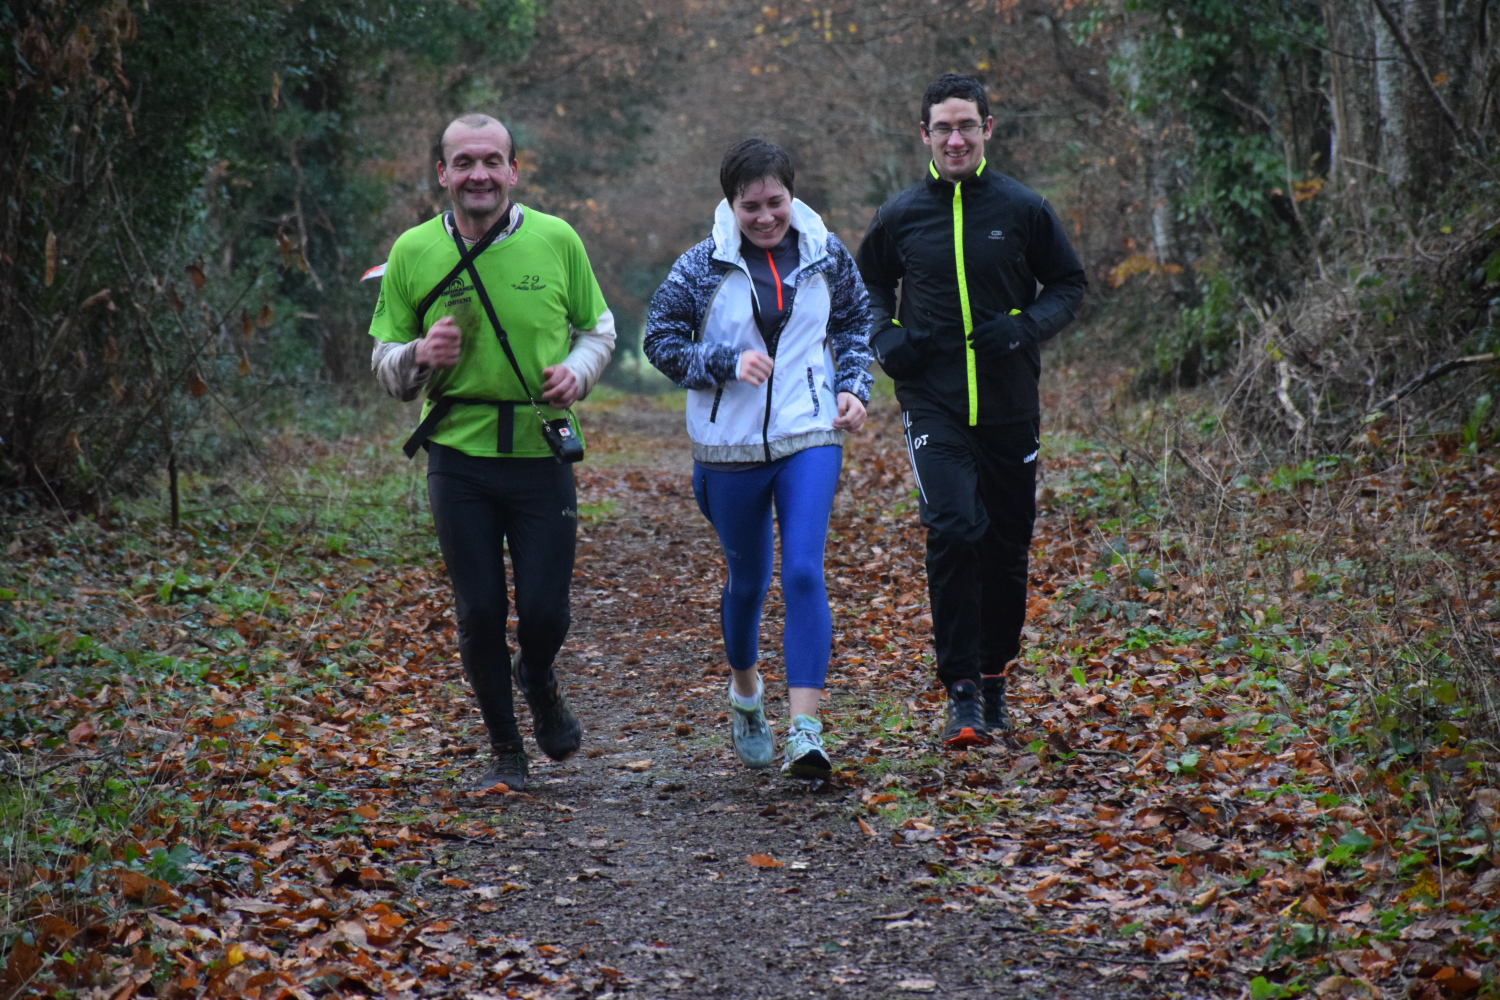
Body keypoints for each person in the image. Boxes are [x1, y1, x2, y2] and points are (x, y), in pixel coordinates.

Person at [368, 113, 616, 790]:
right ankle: (506, 751)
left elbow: (597, 329)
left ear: (513, 170)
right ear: (442, 174)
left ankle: (536, 673)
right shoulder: (414, 250)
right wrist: (419, 355)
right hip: (458, 457)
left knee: (545, 612)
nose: (479, 174)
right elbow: (385, 360)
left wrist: (577, 373)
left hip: (540, 451)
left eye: (491, 161)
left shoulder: (557, 240)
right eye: (464, 162)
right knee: (479, 611)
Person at [855, 74, 1087, 749]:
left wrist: (1024, 326)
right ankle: (959, 690)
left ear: (988, 128)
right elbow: (867, 283)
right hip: (933, 402)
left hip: (1010, 403)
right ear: (924, 135)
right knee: (955, 529)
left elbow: (1068, 283)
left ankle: (992, 678)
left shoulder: (1024, 208)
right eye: (942, 128)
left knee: (1006, 547)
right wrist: (884, 335)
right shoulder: (900, 215)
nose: (954, 139)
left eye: (965, 126)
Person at [644, 139, 873, 779]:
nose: (766, 216)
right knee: (748, 583)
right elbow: (659, 341)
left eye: (776, 202)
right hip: (729, 445)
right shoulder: (701, 265)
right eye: (751, 207)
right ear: (731, 205)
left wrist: (854, 386)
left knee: (802, 571)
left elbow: (855, 324)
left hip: (810, 431)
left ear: (792, 195)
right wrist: (725, 362)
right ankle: (746, 694)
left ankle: (806, 732)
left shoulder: (826, 254)